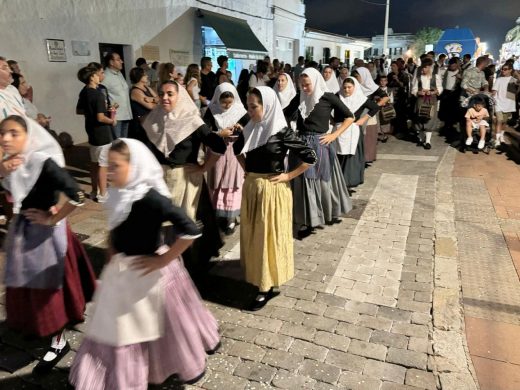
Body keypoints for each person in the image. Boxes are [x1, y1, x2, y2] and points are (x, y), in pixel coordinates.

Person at [69, 138, 220, 389]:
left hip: (149, 271)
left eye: (117, 166)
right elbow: (115, 231)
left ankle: (147, 371)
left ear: (135, 166)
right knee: (119, 332)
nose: (111, 172)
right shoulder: (119, 194)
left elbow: (190, 231)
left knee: (154, 330)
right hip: (123, 272)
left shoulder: (150, 198)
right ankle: (119, 374)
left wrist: (163, 259)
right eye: (110, 166)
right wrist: (111, 257)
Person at [0, 114, 95, 374]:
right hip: (24, 232)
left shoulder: (43, 162)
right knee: (27, 285)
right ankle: (37, 325)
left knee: (50, 289)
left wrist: (51, 217)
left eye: (13, 133)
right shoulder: (10, 163)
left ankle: (58, 341)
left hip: (47, 234)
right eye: (2, 134)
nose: (6, 139)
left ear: (28, 136)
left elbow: (77, 195)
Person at [233, 87, 316, 310]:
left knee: (267, 238)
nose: (249, 111)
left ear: (267, 105)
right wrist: (248, 170)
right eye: (248, 106)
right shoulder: (250, 128)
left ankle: (266, 286)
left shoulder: (281, 131)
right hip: (252, 188)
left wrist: (288, 176)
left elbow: (310, 156)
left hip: (272, 191)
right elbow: (236, 150)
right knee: (254, 236)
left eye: (254, 107)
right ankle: (259, 276)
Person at [142, 81, 226, 273]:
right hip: (160, 180)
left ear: (179, 96)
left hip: (186, 181)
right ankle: (165, 264)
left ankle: (188, 267)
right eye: (162, 93)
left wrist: (204, 167)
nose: (165, 98)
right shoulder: (152, 119)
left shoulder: (192, 121)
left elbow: (218, 145)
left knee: (184, 225)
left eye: (170, 94)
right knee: (162, 226)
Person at [285, 68, 353, 238]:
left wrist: (334, 135)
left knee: (318, 182)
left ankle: (314, 218)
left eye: (307, 85)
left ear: (315, 81)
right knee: (303, 183)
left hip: (320, 145)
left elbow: (349, 116)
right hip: (300, 145)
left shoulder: (327, 97)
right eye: (302, 85)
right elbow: (284, 113)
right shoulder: (300, 97)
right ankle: (305, 218)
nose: (305, 88)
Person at [204, 83, 248, 234]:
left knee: (233, 182)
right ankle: (218, 214)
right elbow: (205, 130)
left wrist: (241, 129)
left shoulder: (241, 111)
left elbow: (249, 129)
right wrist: (219, 133)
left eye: (230, 102)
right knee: (218, 181)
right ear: (218, 99)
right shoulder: (212, 110)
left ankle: (231, 218)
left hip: (234, 152)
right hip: (217, 152)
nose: (227, 106)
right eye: (224, 102)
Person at [77, 66, 115, 202]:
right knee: (103, 164)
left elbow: (79, 110)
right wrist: (111, 121)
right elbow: (100, 117)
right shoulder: (98, 94)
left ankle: (94, 190)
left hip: (91, 131)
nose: (100, 76)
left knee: (94, 163)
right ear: (92, 77)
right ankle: (103, 194)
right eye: (97, 74)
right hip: (101, 133)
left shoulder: (84, 92)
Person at [335, 77, 379, 188]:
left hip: (353, 131)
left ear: (355, 87)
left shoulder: (360, 98)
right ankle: (338, 182)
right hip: (339, 130)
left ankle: (348, 182)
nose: (346, 90)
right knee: (339, 156)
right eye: (344, 87)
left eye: (349, 87)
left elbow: (374, 107)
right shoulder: (337, 96)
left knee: (351, 158)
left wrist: (364, 119)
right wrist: (332, 120)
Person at [352, 67, 388, 162]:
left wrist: (375, 106)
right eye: (354, 76)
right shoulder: (354, 86)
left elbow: (385, 97)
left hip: (368, 115)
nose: (356, 79)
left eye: (357, 76)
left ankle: (366, 158)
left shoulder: (373, 87)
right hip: (356, 113)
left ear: (364, 76)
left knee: (368, 137)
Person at [411, 57, 443, 150]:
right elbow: (413, 88)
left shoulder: (435, 75)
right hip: (421, 99)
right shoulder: (418, 75)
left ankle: (428, 141)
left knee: (430, 118)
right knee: (420, 117)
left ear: (429, 67)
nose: (423, 69)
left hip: (432, 99)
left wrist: (433, 92)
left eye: (425, 68)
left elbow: (440, 88)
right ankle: (422, 136)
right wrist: (418, 92)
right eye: (422, 67)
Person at [102, 52, 133, 138]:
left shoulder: (119, 74)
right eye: (118, 59)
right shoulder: (105, 76)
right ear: (111, 62)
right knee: (117, 142)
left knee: (124, 141)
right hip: (116, 117)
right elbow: (102, 96)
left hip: (126, 114)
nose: (122, 61)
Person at [492, 64, 520, 146]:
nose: (503, 70)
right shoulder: (499, 79)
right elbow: (494, 91)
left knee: (504, 122)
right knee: (499, 121)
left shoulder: (513, 80)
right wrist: (493, 99)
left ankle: (501, 136)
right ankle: (497, 140)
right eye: (502, 69)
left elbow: (518, 84)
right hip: (498, 103)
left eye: (505, 69)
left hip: (509, 104)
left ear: (510, 70)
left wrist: (517, 74)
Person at [129, 66, 158, 142]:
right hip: (141, 125)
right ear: (139, 76)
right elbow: (151, 106)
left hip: (150, 122)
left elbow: (159, 99)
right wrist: (155, 100)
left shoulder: (147, 87)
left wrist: (151, 99)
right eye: (145, 75)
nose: (147, 76)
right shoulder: (136, 91)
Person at [439, 57, 462, 135]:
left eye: (454, 65)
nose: (452, 67)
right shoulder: (446, 72)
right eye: (451, 65)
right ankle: (446, 126)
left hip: (455, 94)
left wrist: (460, 78)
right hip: (446, 93)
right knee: (445, 111)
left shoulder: (460, 73)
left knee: (453, 112)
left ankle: (451, 126)